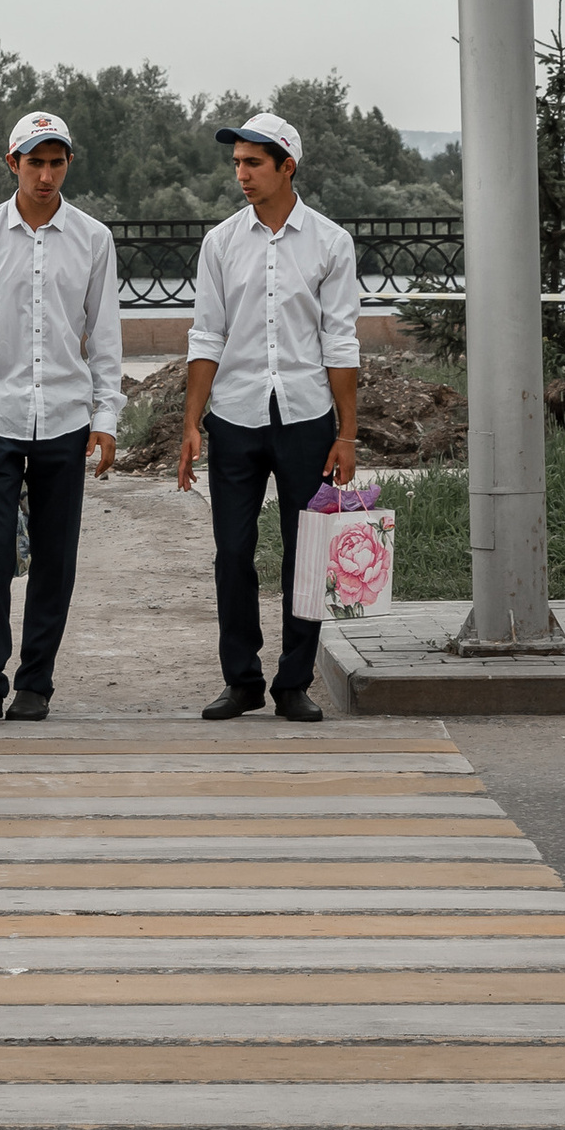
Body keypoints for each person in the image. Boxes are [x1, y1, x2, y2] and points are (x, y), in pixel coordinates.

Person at [0, 110, 123, 728]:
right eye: (34, 162)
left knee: (56, 554)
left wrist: (107, 414)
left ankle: (36, 682)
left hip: (65, 417)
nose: (45, 174)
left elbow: (106, 335)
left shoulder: (93, 239)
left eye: (56, 161)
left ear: (68, 164)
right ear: (12, 164)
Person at [174, 107, 361, 726]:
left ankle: (294, 682)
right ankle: (242, 680)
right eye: (237, 163)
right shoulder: (221, 242)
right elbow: (207, 335)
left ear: (287, 167)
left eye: (254, 163)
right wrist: (190, 424)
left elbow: (341, 342)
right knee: (232, 551)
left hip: (307, 417)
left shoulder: (331, 242)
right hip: (235, 414)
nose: (242, 174)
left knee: (305, 554)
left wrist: (348, 433)